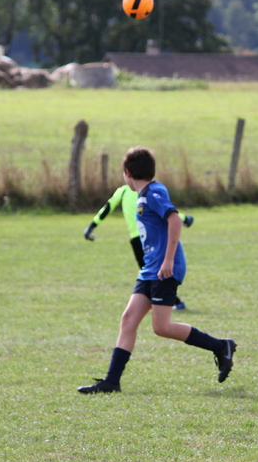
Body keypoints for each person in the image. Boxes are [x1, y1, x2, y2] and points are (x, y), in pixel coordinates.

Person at [78, 147, 236, 394]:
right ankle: (111, 381)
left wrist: (168, 261)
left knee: (161, 327)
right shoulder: (143, 195)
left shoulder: (153, 193)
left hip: (164, 269)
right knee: (128, 319)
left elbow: (175, 219)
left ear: (128, 172)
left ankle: (221, 346)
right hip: (150, 268)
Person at [84, 184, 194, 310]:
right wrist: (185, 218)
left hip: (139, 238)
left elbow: (107, 208)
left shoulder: (128, 191)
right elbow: (163, 209)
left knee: (152, 273)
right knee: (151, 273)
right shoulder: (145, 191)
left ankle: (171, 302)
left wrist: (92, 225)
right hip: (150, 237)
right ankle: (170, 302)